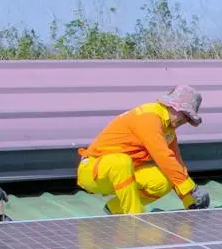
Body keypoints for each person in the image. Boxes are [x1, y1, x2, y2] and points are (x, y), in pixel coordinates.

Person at [77, 86, 211, 214]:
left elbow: (176, 164)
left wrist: (190, 200)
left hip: (123, 173)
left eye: (188, 118)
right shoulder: (149, 117)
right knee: (121, 161)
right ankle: (134, 218)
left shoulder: (168, 130)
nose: (184, 120)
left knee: (164, 180)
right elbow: (163, 156)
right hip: (92, 171)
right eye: (183, 113)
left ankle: (116, 208)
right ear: (171, 105)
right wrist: (192, 188)